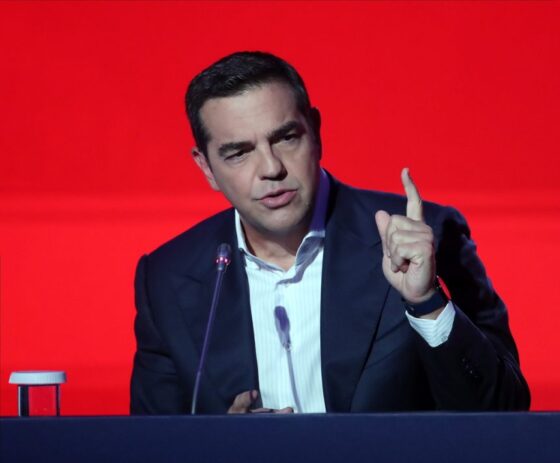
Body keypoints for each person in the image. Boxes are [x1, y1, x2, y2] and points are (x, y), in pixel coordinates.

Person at [130, 51, 530, 414]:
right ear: (206, 167)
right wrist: (219, 445)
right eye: (239, 152)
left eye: (286, 138)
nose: (271, 168)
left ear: (316, 131)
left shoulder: (426, 238)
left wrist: (426, 303)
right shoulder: (168, 278)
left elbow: (504, 411)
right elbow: (151, 445)